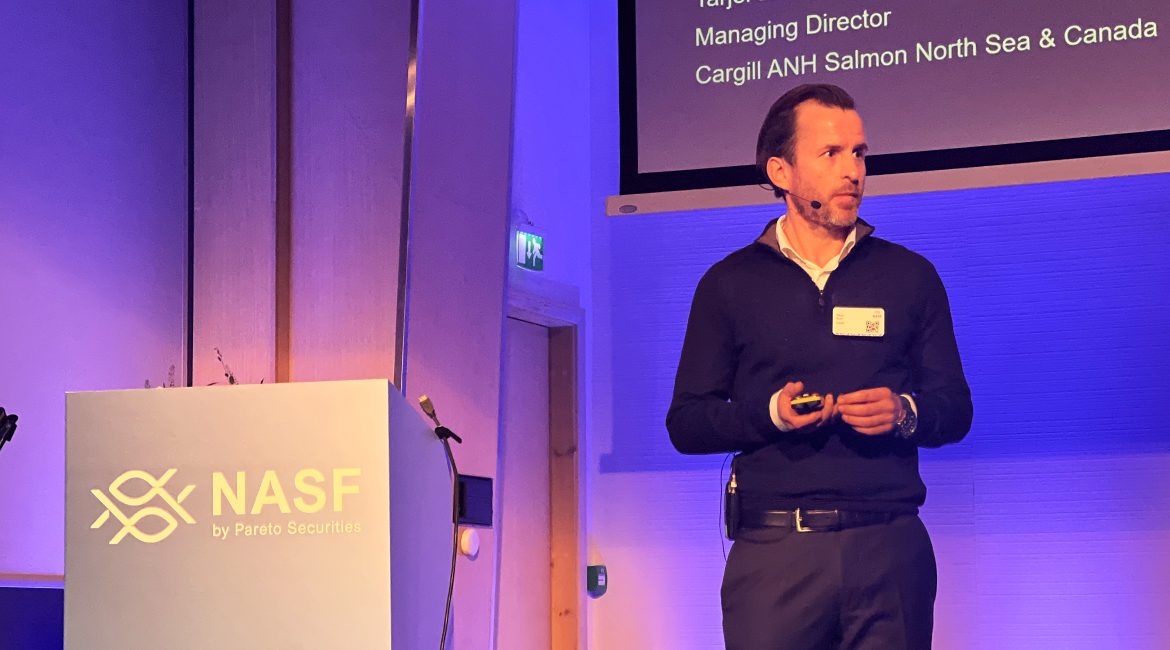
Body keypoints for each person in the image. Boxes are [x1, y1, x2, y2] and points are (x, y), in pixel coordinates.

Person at [666, 83, 973, 649]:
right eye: (831, 153)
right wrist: (770, 415)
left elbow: (954, 409)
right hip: (777, 551)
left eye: (859, 153)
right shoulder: (729, 284)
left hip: (889, 548)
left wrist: (904, 412)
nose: (853, 171)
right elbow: (686, 423)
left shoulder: (910, 276)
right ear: (780, 171)